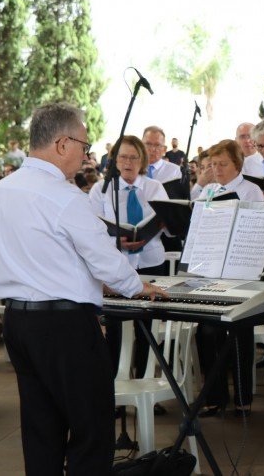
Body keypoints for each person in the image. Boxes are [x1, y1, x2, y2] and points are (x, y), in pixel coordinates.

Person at [0, 102, 166, 475]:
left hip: (18, 321)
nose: (87, 155)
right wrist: (136, 286)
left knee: (40, 428)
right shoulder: (64, 196)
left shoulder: (0, 191)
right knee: (91, 429)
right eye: (84, 145)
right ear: (63, 143)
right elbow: (103, 259)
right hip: (64, 326)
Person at [89, 135, 169, 383]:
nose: (128, 162)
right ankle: (113, 390)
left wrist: (165, 221)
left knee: (148, 329)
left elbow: (169, 227)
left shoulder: (154, 188)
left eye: (134, 157)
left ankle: (146, 384)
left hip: (151, 260)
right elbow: (91, 229)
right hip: (117, 265)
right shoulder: (102, 189)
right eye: (122, 156)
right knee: (115, 329)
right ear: (114, 159)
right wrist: (117, 241)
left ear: (142, 160)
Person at [194, 140, 264, 418]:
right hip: (210, 270)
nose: (217, 169)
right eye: (213, 164)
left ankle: (243, 398)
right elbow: (197, 226)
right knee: (206, 332)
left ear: (237, 164)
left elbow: (257, 228)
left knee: (239, 335)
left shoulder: (251, 190)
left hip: (240, 271)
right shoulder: (209, 190)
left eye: (223, 164)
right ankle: (214, 396)